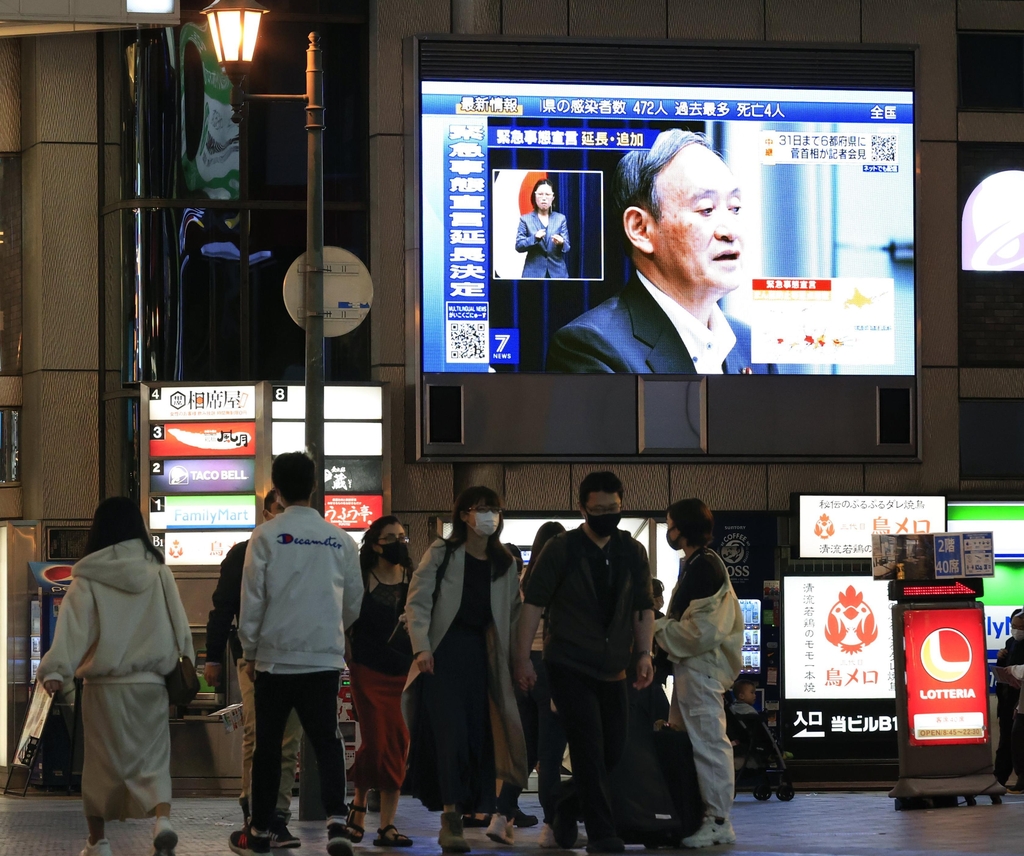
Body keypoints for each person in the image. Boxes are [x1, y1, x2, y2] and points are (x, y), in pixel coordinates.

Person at [38, 496, 193, 856]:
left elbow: (72, 632)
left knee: (100, 765)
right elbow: (180, 626)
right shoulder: (159, 572)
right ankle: (162, 822)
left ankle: (99, 841)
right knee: (153, 760)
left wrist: (56, 670)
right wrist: (183, 656)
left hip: (103, 689)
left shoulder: (87, 578)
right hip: (151, 686)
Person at [546, 130, 772, 374]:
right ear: (641, 229)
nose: (730, 231)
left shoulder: (750, 346)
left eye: (734, 208)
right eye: (706, 209)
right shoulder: (592, 347)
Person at [228, 451, 364, 856]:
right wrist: (330, 631)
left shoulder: (265, 537)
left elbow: (251, 599)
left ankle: (258, 832)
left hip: (274, 657)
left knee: (268, 745)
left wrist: (250, 650)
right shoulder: (340, 539)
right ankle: (337, 820)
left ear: (278, 489)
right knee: (327, 738)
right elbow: (354, 600)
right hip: (322, 657)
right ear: (314, 486)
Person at [515, 471, 655, 854]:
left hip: (615, 668)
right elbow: (533, 606)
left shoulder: (632, 551)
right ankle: (602, 834)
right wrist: (523, 659)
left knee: (613, 749)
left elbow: (644, 607)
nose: (606, 516)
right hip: (568, 664)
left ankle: (564, 802)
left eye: (613, 509)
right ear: (582, 508)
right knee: (588, 747)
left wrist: (645, 653)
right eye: (598, 510)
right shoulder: (562, 549)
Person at [404, 486, 528, 853]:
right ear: (463, 515)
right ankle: (450, 820)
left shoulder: (503, 562)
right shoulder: (443, 552)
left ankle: (467, 810)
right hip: (441, 655)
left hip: (481, 656)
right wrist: (422, 647)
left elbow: (514, 614)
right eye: (482, 509)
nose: (489, 516)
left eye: (495, 509)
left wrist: (518, 661)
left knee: (476, 735)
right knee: (450, 736)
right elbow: (418, 600)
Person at [204, 489, 301, 848]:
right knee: (260, 734)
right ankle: (255, 810)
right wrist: (212, 657)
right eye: (280, 510)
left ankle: (277, 815)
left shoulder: (306, 553)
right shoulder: (243, 553)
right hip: (253, 657)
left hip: (297, 655)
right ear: (265, 513)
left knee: (289, 740)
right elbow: (223, 607)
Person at [654, 498, 743, 849]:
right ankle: (698, 814)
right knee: (696, 741)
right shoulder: (696, 564)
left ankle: (719, 820)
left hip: (701, 669)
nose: (669, 531)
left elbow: (700, 631)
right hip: (692, 669)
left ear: (684, 528)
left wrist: (658, 627)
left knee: (708, 742)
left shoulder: (704, 566)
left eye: (671, 524)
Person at [342, 516, 415, 847]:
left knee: (397, 742)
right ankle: (361, 805)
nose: (398, 542)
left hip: (405, 672)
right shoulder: (361, 578)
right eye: (391, 538)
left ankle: (382, 822)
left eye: (402, 537)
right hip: (367, 671)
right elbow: (345, 620)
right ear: (374, 544)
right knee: (378, 740)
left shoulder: (412, 579)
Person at [516, 178, 571, 278]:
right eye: (540, 194)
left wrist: (562, 243)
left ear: (553, 197)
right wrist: (534, 238)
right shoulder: (525, 219)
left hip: (558, 273)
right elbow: (519, 246)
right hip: (533, 273)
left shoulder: (560, 218)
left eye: (547, 194)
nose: (544, 198)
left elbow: (567, 247)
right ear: (535, 196)